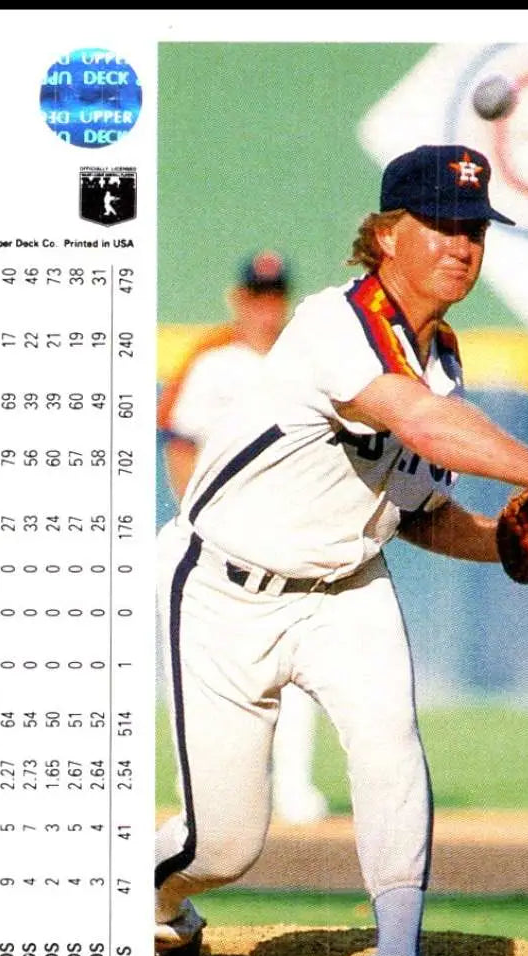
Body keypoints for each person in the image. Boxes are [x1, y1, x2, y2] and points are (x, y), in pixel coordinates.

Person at [153, 145, 528, 956]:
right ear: (387, 233)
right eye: (442, 223)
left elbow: (415, 511)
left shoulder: (443, 356)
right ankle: (145, 889)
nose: (462, 244)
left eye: (475, 228)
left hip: (346, 591)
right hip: (223, 593)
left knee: (392, 746)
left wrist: (503, 547)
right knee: (225, 845)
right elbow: (419, 420)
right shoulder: (335, 321)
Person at [157, 252, 328, 824]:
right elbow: (179, 442)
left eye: (275, 295)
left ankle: (294, 788)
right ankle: (211, 799)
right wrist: (194, 518)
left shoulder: (307, 360)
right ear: (238, 299)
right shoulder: (213, 360)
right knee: (217, 675)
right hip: (220, 537)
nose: (266, 307)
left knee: (299, 664)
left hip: (292, 533)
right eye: (257, 295)